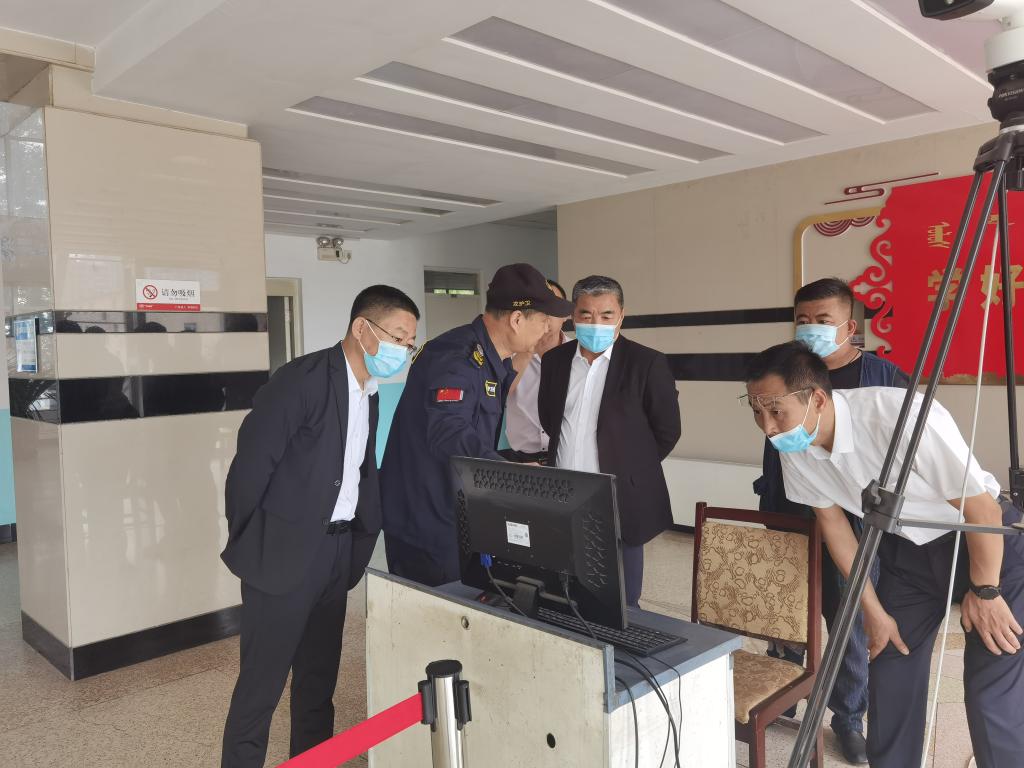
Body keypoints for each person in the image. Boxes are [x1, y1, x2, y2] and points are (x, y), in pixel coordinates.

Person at [744, 342, 1024, 768]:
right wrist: (872, 610)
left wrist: (985, 592)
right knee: (891, 671)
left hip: (984, 542)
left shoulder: (896, 417)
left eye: (776, 410)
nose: (767, 425)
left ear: (816, 398)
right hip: (907, 552)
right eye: (756, 410)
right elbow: (835, 528)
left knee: (991, 694)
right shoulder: (794, 448)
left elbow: (981, 508)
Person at [220, 285, 420, 768]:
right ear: (362, 328)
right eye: (398, 338)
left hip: (336, 554)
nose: (403, 351)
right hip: (282, 556)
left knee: (318, 684)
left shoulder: (370, 393)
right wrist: (255, 544)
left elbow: (357, 471)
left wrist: (357, 542)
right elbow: (249, 470)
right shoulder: (301, 381)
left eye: (410, 344)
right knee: (260, 690)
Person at [753, 277, 908, 764]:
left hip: (855, 521)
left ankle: (848, 716)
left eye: (823, 320)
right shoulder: (783, 370)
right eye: (803, 320)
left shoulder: (883, 377)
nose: (811, 329)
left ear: (849, 326)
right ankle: (782, 689)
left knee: (849, 617)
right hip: (788, 509)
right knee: (786, 606)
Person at [381, 263, 573, 587]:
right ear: (517, 319)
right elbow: (448, 432)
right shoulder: (456, 357)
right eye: (543, 320)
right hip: (428, 521)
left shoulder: (488, 357)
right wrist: (510, 475)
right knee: (440, 609)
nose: (547, 329)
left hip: (452, 509)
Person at [538, 275, 681, 607]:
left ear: (621, 316)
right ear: (573, 316)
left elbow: (667, 430)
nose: (595, 323)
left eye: (606, 315)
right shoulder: (555, 361)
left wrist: (630, 468)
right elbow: (550, 418)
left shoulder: (647, 363)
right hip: (563, 493)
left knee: (623, 598)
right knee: (565, 589)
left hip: (619, 497)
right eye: (586, 314)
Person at [502, 278, 569, 463]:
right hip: (521, 459)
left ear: (565, 314)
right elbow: (499, 394)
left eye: (552, 306)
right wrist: (527, 351)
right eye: (538, 307)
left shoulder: (578, 353)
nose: (545, 315)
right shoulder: (509, 353)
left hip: (566, 457)